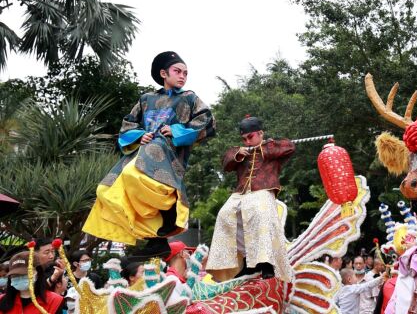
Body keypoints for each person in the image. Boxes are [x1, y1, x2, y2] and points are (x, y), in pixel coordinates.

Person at [82, 51, 215, 259]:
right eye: (177, 71)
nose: (182, 76)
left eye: (185, 73)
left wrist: (177, 131)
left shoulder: (189, 98)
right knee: (108, 188)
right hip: (142, 151)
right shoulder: (146, 99)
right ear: (164, 73)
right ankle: (156, 240)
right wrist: (139, 136)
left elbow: (207, 121)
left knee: (135, 177)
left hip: (169, 154)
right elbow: (127, 124)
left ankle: (170, 213)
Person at [206, 116, 294, 282]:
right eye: (244, 139)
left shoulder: (270, 146)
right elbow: (226, 163)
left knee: (260, 214)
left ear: (260, 133)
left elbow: (289, 147)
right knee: (224, 215)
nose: (247, 142)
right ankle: (247, 263)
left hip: (263, 191)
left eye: (250, 137)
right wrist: (237, 154)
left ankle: (266, 264)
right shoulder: (240, 151)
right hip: (241, 193)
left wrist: (264, 147)